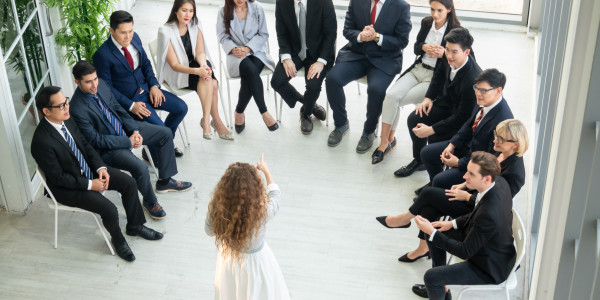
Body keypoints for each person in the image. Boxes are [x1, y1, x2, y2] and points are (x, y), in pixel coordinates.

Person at [31, 86, 164, 262]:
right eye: (61, 106)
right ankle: (118, 240)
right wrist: (90, 185)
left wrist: (101, 168)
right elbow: (58, 178)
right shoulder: (41, 141)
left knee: (129, 183)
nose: (67, 107)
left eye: (66, 102)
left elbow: (86, 146)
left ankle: (135, 225)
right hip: (67, 187)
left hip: (87, 170)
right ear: (46, 111)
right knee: (109, 209)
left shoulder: (67, 120)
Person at [376, 119, 528, 263]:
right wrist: (463, 185)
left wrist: (467, 196)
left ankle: (404, 220)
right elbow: (481, 176)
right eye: (496, 135)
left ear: (515, 144)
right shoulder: (500, 153)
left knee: (429, 194)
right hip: (471, 197)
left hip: (476, 212)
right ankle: (423, 249)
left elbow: (497, 203)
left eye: (500, 139)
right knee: (429, 209)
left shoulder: (515, 173)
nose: (495, 140)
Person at [69, 60, 193, 219]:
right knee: (140, 168)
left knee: (165, 133)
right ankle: (150, 202)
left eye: (95, 79)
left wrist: (134, 130)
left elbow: (118, 109)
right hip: (110, 149)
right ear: (77, 82)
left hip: (125, 129)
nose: (94, 85)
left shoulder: (101, 85)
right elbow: (97, 140)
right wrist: (129, 142)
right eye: (88, 82)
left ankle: (164, 181)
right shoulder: (77, 108)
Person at [412, 151, 517, 300]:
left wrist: (433, 233)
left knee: (431, 277)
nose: (464, 176)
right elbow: (476, 213)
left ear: (486, 178)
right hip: (485, 244)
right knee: (433, 232)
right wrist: (451, 223)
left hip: (489, 267)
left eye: (471, 174)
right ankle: (442, 287)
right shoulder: (498, 183)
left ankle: (439, 285)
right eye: (467, 171)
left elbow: (464, 251)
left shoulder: (489, 214)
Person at [372, 0, 461, 164]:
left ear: (449, 9)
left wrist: (445, 53)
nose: (435, 15)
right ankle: (386, 142)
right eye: (432, 9)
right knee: (391, 96)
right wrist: (424, 47)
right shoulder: (427, 23)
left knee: (397, 100)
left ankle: (388, 142)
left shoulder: (456, 31)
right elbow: (415, 47)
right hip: (418, 69)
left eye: (439, 10)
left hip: (435, 77)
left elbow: (461, 60)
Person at [93, 10, 188, 157]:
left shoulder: (134, 38)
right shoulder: (102, 55)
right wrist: (131, 106)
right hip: (131, 100)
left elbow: (146, 64)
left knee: (181, 108)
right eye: (123, 33)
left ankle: (162, 145)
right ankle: (160, 148)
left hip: (147, 90)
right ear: (111, 31)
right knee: (161, 128)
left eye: (131, 31)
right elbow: (107, 89)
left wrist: (154, 86)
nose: (128, 36)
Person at [326, 0, 412, 153]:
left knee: (377, 90)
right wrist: (360, 35)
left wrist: (377, 37)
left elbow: (402, 41)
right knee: (332, 79)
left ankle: (369, 131)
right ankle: (341, 123)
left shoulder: (401, 6)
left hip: (385, 59)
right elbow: (347, 30)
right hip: (357, 55)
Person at [393, 27, 479, 178]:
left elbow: (462, 118)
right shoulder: (447, 57)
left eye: (454, 51)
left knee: (435, 138)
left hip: (460, 117)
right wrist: (428, 98)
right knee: (414, 118)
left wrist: (431, 129)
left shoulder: (473, 79)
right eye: (447, 49)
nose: (449, 55)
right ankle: (420, 160)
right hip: (445, 103)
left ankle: (437, 177)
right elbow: (438, 76)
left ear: (467, 52)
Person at [205, 154, 290, 300]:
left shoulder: (217, 206)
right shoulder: (261, 210)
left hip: (228, 261)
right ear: (255, 187)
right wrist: (266, 171)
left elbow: (209, 231)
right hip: (256, 264)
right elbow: (275, 197)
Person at [418, 68, 514, 192]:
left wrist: (459, 163)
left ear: (498, 90)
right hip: (467, 147)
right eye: (477, 88)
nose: (478, 93)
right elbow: (469, 124)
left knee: (440, 180)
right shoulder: (483, 100)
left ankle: (438, 189)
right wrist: (452, 144)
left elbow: (489, 157)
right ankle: (435, 186)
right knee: (427, 153)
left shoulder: (502, 121)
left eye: (483, 90)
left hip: (477, 163)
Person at [157, 0, 233, 140]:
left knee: (210, 78)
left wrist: (203, 65)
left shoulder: (195, 25)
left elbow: (200, 52)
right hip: (179, 72)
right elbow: (174, 65)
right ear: (176, 11)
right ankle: (210, 122)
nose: (188, 15)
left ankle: (208, 121)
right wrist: (198, 71)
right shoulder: (165, 31)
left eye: (191, 11)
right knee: (212, 83)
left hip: (196, 65)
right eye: (184, 10)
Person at [270, 0, 337, 134]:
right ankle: (309, 104)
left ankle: (306, 114)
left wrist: (321, 61)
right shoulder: (282, 2)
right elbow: (281, 32)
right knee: (276, 81)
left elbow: (331, 34)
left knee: (313, 86)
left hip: (318, 53)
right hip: (294, 50)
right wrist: (286, 57)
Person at [217, 0, 278, 133]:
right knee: (250, 70)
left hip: (257, 51)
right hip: (236, 54)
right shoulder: (223, 11)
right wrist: (234, 49)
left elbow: (263, 34)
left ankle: (239, 111)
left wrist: (249, 47)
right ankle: (264, 112)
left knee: (250, 75)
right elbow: (222, 37)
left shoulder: (257, 8)